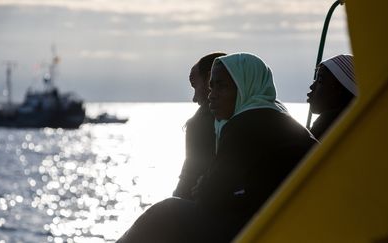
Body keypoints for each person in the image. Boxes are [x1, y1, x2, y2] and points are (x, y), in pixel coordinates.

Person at [117, 53, 317, 243]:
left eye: (222, 87)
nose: (212, 96)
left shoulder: (244, 124)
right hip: (290, 220)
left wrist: (207, 185)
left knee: (165, 212)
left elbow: (210, 194)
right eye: (212, 88)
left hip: (268, 226)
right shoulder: (277, 116)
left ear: (243, 86)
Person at [173, 52, 226, 200]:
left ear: (210, 79)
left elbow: (187, 184)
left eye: (195, 85)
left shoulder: (201, 121)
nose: (194, 98)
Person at [307, 54, 357, 140]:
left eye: (320, 80)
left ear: (339, 90)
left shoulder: (326, 124)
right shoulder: (352, 124)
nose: (312, 86)